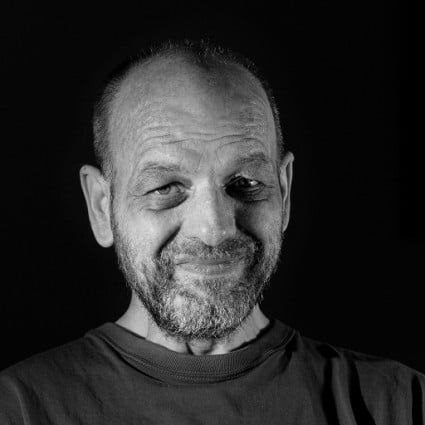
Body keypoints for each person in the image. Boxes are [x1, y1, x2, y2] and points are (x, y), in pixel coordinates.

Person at [0, 40, 423, 425]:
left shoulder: (401, 405)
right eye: (165, 188)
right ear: (101, 207)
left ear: (285, 192)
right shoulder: (18, 409)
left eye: (246, 183)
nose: (214, 230)